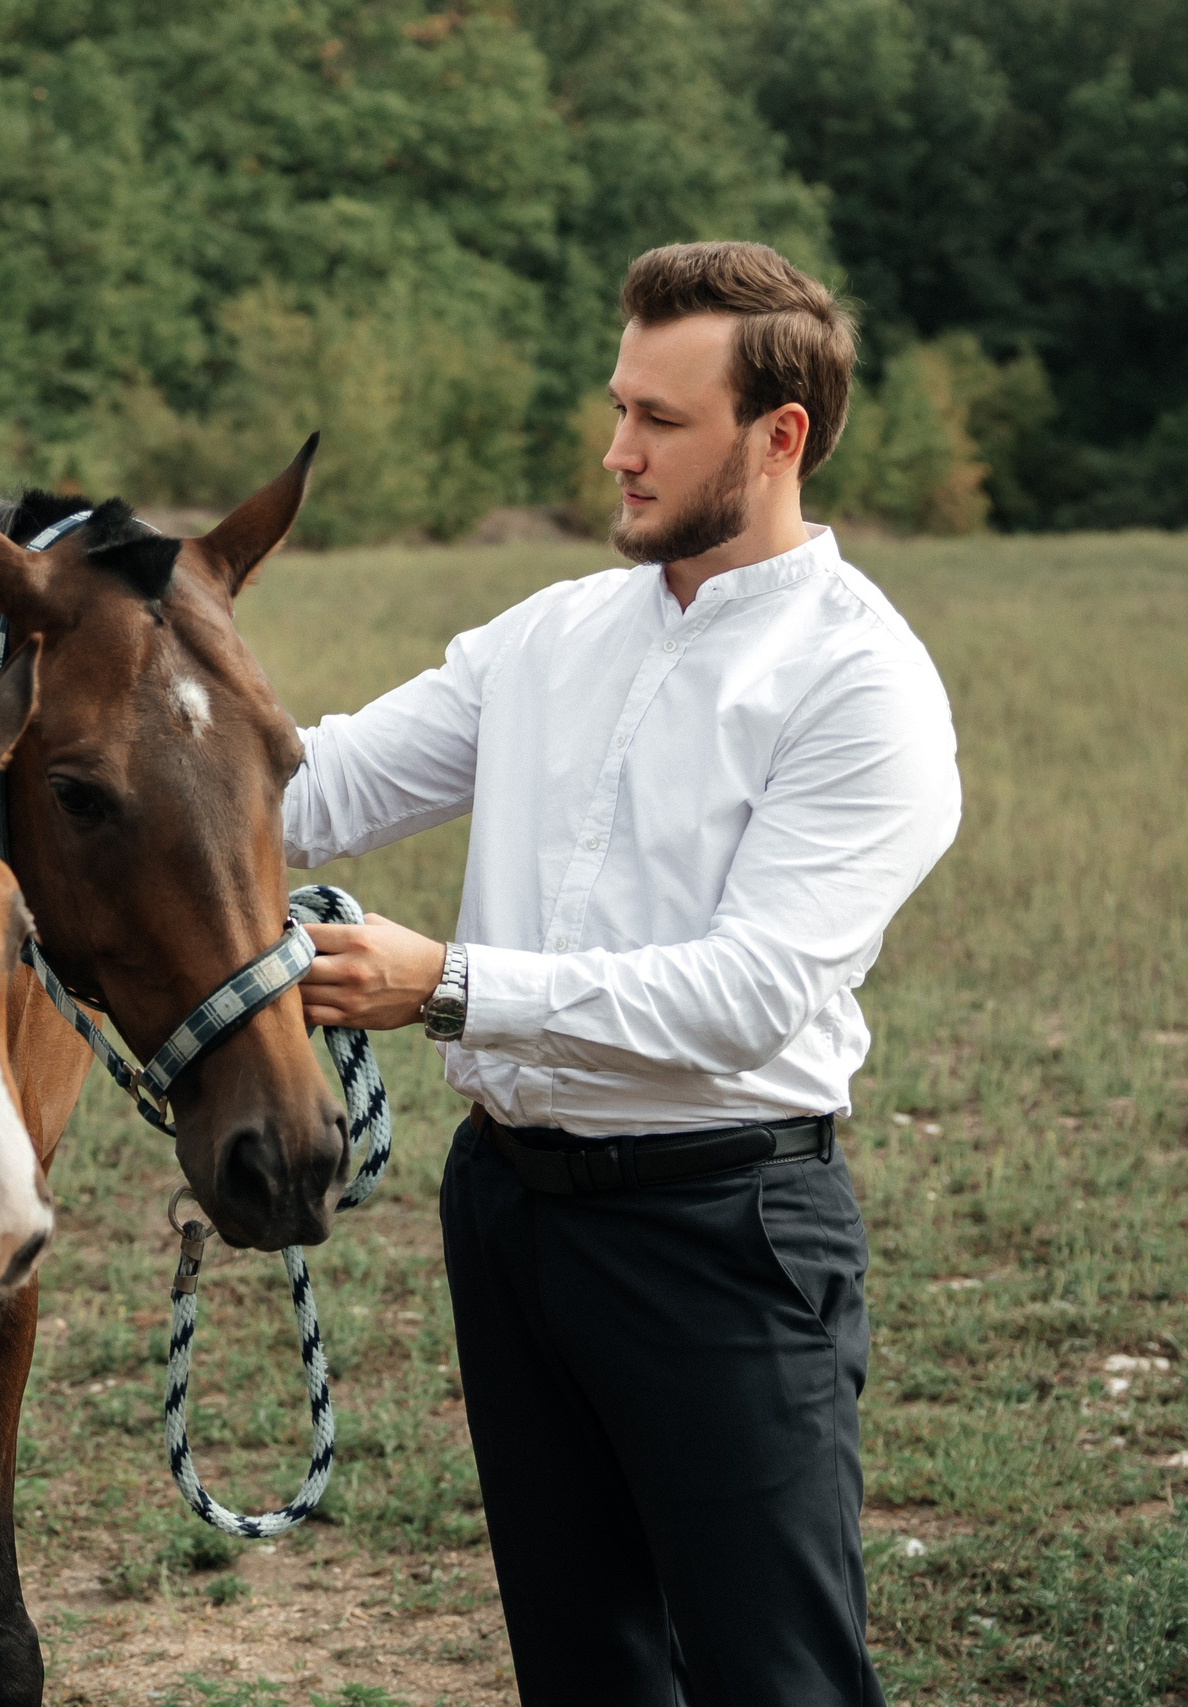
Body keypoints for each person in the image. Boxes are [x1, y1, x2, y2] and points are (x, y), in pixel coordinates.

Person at [287, 242, 961, 1705]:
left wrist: (448, 983)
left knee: (772, 1676)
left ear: (779, 437)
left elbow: (745, 992)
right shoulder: (547, 635)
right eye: (619, 406)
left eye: (661, 419)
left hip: (722, 1235)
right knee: (584, 1668)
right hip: (512, 1215)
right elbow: (315, 786)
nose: (616, 450)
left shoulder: (863, 684)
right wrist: (104, 703)